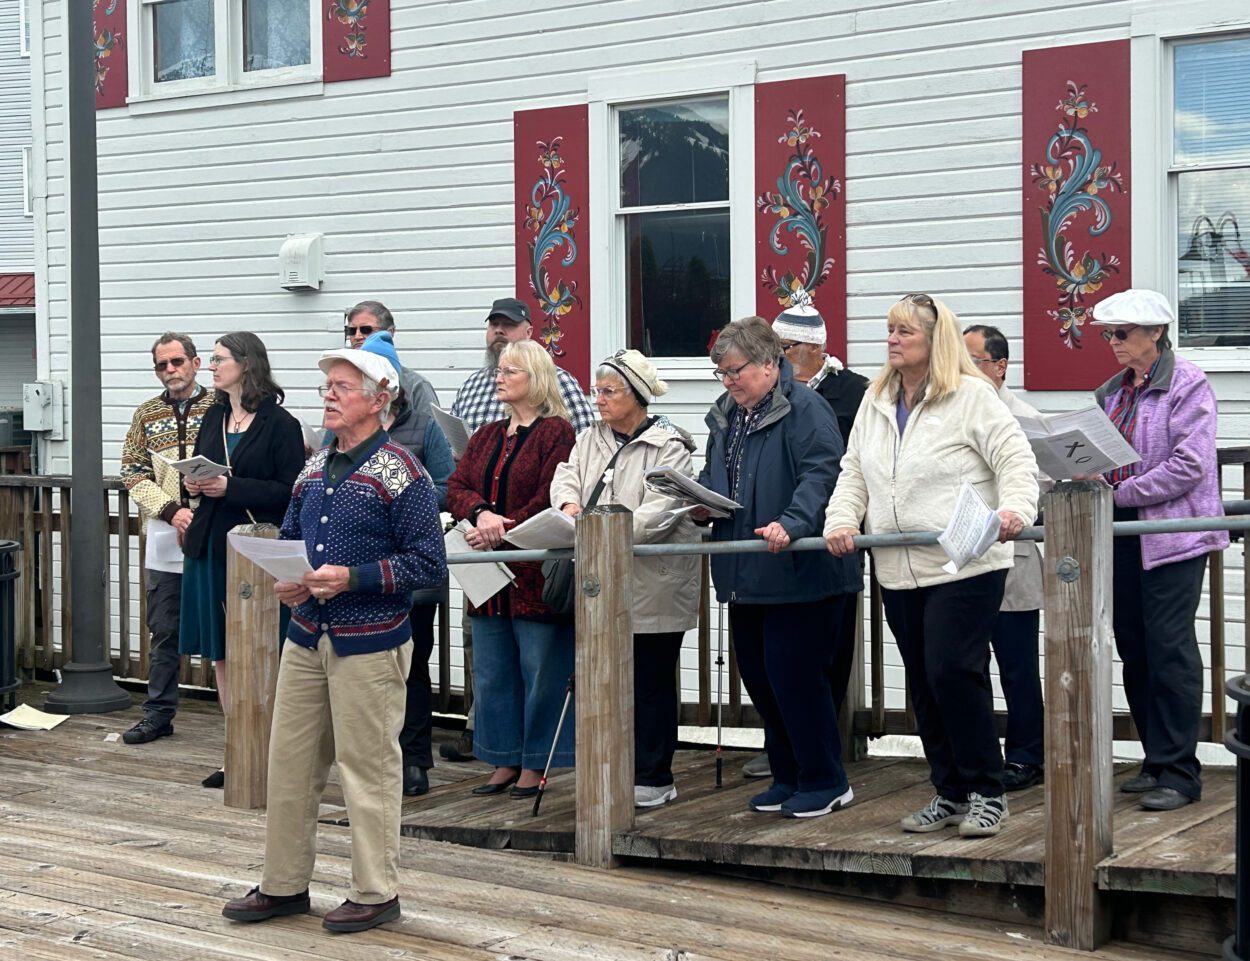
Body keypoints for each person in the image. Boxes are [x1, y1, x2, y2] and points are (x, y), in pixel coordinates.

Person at [222, 346, 446, 933]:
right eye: (328, 386)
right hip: (305, 636)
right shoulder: (313, 467)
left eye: (343, 387)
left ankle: (376, 890)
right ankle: (284, 884)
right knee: (289, 763)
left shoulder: (404, 472)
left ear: (379, 401)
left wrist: (353, 577)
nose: (329, 395)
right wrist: (290, 582)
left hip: (370, 642)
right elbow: (292, 536)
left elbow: (429, 565)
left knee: (366, 769)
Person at [825, 294, 1038, 838]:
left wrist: (1015, 508)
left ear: (934, 339)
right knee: (922, 680)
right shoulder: (877, 398)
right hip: (898, 566)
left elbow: (1015, 458)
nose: (892, 339)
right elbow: (854, 471)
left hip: (965, 561)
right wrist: (841, 520)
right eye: (890, 329)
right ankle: (949, 790)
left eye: (904, 331)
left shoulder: (972, 396)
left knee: (952, 669)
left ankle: (988, 791)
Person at [696, 317, 862, 819]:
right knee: (762, 681)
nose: (727, 381)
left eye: (735, 370)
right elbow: (716, 477)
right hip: (745, 568)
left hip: (799, 571)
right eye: (721, 372)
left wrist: (793, 522)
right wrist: (697, 501)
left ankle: (826, 780)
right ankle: (787, 776)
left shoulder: (806, 407)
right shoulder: (727, 413)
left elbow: (823, 472)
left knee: (797, 678)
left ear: (770, 365)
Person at [1090, 288, 1228, 812]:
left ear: (1155, 334)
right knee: (1136, 648)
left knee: (1169, 649)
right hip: (1122, 533)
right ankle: (1156, 761)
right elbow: (1110, 456)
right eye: (1109, 334)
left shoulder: (1187, 382)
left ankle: (1180, 772)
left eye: (1122, 333)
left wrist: (1117, 491)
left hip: (1172, 536)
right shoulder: (1112, 392)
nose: (1114, 343)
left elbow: (1190, 464)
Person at [442, 297, 595, 764]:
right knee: (492, 673)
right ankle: (501, 756)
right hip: (488, 579)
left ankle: (538, 761)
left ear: (535, 379)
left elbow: (551, 491)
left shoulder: (556, 432)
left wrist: (499, 528)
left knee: (541, 671)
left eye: (510, 371)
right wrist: (482, 514)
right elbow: (457, 484)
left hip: (532, 575)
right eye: (499, 371)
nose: (499, 377)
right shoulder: (488, 434)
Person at [550, 350, 701, 808]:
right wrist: (570, 510)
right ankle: (611, 769)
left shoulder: (669, 444)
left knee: (650, 680)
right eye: (596, 390)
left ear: (637, 395)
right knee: (603, 678)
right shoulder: (588, 437)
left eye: (609, 391)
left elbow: (660, 510)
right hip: (600, 579)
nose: (598, 399)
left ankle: (654, 776)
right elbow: (566, 479)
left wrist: (600, 529)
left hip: (653, 581)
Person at [741, 303, 871, 782]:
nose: (778, 356)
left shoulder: (852, 392)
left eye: (785, 348)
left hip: (830, 537)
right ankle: (789, 749)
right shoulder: (757, 400)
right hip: (777, 542)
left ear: (814, 349)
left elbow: (843, 465)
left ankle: (823, 755)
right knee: (774, 664)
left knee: (824, 659)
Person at [179, 332, 305, 789]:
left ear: (247, 364)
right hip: (212, 543)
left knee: (260, 649)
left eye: (218, 359)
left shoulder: (280, 424)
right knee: (222, 653)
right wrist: (193, 485)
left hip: (256, 549)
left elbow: (290, 490)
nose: (211, 367)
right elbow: (197, 470)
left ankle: (270, 752)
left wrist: (233, 488)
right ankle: (237, 749)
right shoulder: (213, 416)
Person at [339, 312, 455, 799]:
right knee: (364, 670)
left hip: (409, 568)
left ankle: (414, 759)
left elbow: (450, 484)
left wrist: (401, 501)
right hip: (359, 572)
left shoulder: (423, 424)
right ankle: (368, 759)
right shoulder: (342, 430)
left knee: (412, 664)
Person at [119, 333, 215, 745]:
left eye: (177, 362)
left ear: (195, 362)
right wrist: (171, 510)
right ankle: (158, 713)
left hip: (214, 525)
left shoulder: (221, 407)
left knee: (228, 620)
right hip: (165, 528)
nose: (170, 371)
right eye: (162, 365)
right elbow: (131, 470)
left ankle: (244, 712)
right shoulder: (146, 414)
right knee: (163, 627)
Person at [963, 324, 1046, 792]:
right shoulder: (955, 412)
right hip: (966, 559)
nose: (966, 372)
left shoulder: (1026, 417)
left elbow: (1047, 487)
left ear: (999, 366)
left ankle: (1026, 756)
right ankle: (977, 756)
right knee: (965, 663)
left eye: (974, 361)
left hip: (1013, 559)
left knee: (1017, 665)